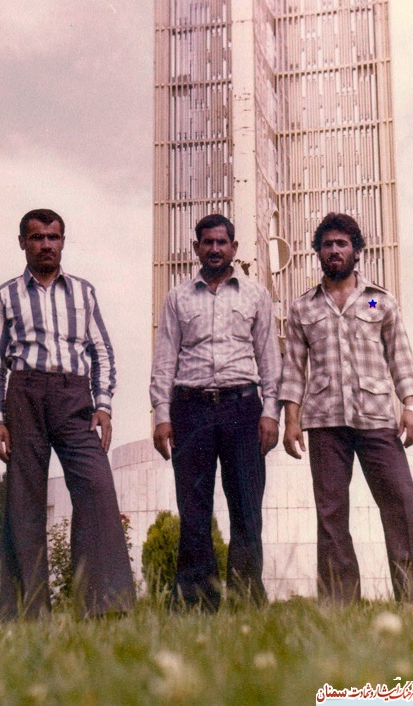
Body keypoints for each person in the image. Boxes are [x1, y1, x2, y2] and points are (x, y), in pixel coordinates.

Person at [0, 208, 135, 619]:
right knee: (24, 500)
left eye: (53, 237)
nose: (46, 245)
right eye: (37, 237)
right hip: (24, 395)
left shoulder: (83, 292)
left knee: (97, 488)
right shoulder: (6, 295)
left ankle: (104, 608)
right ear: (23, 243)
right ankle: (24, 614)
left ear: (63, 241)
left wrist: (103, 405)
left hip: (73, 396)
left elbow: (102, 352)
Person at [280, 212, 413, 606]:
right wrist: (291, 420)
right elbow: (293, 370)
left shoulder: (377, 299)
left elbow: (400, 356)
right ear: (318, 252)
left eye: (342, 244)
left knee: (400, 503)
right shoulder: (303, 308)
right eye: (327, 245)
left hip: (376, 419)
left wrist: (411, 406)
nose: (334, 250)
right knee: (331, 514)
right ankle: (340, 607)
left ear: (357, 252)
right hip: (324, 421)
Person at [150, 214, 282, 609]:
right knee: (193, 511)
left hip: (243, 409)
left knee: (246, 509)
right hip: (190, 410)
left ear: (234, 248)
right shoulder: (177, 298)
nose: (214, 249)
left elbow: (269, 359)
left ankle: (246, 603)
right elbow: (164, 360)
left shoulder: (256, 295)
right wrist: (161, 415)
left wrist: (270, 412)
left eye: (222, 242)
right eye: (207, 242)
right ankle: (195, 604)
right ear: (196, 248)